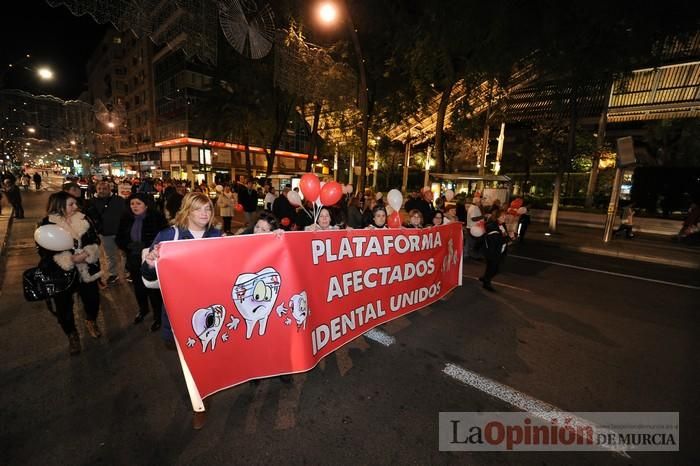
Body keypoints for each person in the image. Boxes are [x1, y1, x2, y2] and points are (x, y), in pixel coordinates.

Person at [142, 192, 223, 350]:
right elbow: (148, 276)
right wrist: (150, 264)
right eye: (198, 209)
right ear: (187, 211)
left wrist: (274, 236)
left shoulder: (217, 236)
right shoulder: (169, 236)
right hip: (179, 314)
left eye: (208, 209)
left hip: (211, 311)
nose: (204, 214)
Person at [37, 191, 103, 354]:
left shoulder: (83, 218)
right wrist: (70, 259)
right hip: (61, 272)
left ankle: (91, 320)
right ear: (59, 206)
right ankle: (72, 335)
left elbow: (95, 240)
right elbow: (44, 250)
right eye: (71, 204)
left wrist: (87, 253)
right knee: (63, 307)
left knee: (92, 299)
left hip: (86, 269)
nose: (76, 207)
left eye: (75, 203)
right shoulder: (47, 223)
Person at [116, 193, 168, 331]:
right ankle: (143, 309)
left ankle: (158, 317)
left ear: (146, 204)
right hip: (133, 258)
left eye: (138, 203)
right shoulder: (126, 218)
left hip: (151, 260)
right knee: (139, 287)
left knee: (153, 290)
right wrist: (128, 245)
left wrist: (146, 247)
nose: (134, 206)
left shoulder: (156, 217)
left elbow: (164, 238)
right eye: (132, 203)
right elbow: (119, 237)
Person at [86, 181, 127, 285]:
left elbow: (126, 214)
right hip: (105, 233)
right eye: (99, 188)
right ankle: (113, 274)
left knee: (125, 253)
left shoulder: (119, 200)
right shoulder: (92, 202)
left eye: (104, 189)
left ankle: (127, 272)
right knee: (110, 255)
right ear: (96, 189)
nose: (101, 191)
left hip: (121, 232)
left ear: (110, 189)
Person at [480, 206, 507, 292]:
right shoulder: (492, 226)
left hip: (499, 250)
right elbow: (496, 240)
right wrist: (508, 238)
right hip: (492, 252)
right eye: (502, 216)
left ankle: (485, 278)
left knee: (491, 268)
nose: (504, 217)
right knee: (494, 269)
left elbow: (503, 236)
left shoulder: (501, 224)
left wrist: (509, 236)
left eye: (504, 216)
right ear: (497, 217)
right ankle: (486, 283)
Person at [466, 195, 484, 259]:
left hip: (474, 228)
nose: (480, 203)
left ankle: (473, 255)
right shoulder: (473, 208)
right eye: (479, 202)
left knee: (474, 242)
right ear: (476, 202)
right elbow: (473, 218)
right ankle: (474, 256)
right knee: (474, 243)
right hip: (473, 228)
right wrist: (483, 217)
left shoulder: (474, 207)